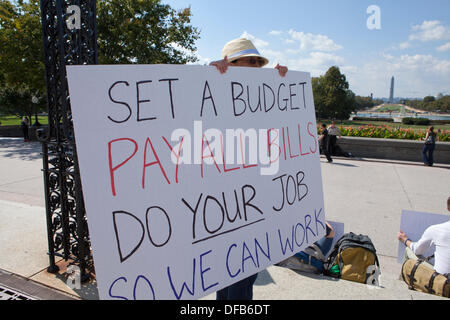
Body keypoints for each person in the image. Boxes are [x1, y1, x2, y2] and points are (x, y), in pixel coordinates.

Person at [210, 37, 288, 300]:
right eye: (251, 61)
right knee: (233, 276)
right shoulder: (213, 91)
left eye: (259, 62)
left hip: (255, 201)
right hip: (227, 201)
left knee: (243, 274)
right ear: (230, 64)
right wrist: (208, 76)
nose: (257, 66)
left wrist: (282, 87)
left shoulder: (263, 96)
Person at [397, 196, 450, 275]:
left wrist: (405, 240)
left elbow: (417, 250)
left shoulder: (436, 229)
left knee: (409, 250)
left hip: (442, 283)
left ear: (448, 209)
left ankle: (407, 280)